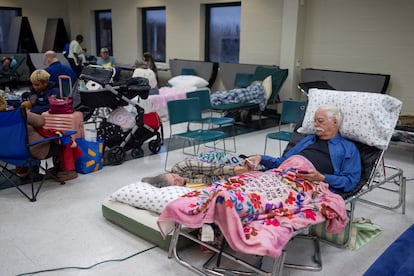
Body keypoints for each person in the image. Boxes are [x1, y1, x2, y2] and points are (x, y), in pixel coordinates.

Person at [244, 105, 361, 194]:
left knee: (259, 196)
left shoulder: (348, 148)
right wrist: (261, 158)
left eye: (320, 121)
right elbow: (283, 162)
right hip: (283, 174)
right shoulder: (308, 140)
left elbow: (350, 182)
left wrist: (323, 178)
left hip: (305, 186)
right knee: (245, 186)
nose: (316, 124)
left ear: (335, 122)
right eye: (314, 121)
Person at [0, 95, 78, 181]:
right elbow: (41, 122)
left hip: (5, 154)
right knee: (62, 138)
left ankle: (23, 171)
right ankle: (68, 171)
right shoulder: (17, 114)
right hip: (32, 151)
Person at [141, 160, 248, 188]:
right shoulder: (181, 191)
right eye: (175, 182)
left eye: (174, 176)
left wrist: (243, 169)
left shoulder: (181, 168)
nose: (178, 179)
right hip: (222, 183)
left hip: (222, 169)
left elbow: (214, 169)